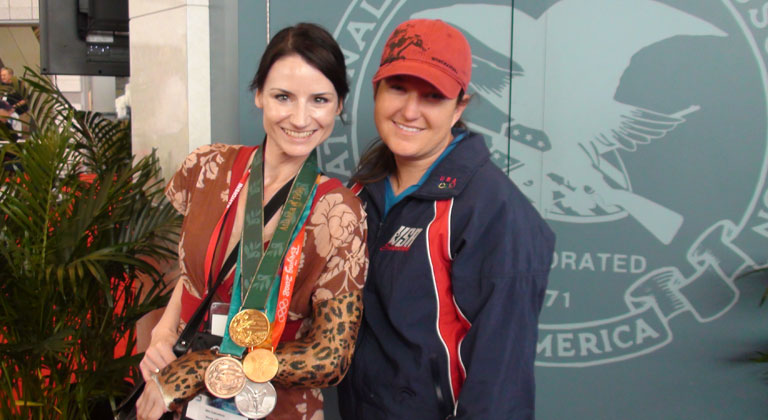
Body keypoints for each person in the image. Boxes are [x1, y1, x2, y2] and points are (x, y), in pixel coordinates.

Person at [135, 23, 368, 420]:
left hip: (272, 406)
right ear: (259, 94)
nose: (299, 118)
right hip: (180, 398)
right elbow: (189, 273)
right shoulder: (207, 167)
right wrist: (164, 330)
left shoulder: (339, 211)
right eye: (283, 97)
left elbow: (331, 358)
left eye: (319, 100)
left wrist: (197, 369)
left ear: (339, 105)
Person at [337, 19, 555, 419]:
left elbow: (501, 384)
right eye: (398, 88)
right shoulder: (360, 189)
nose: (409, 111)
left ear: (460, 107)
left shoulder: (495, 211)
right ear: (376, 90)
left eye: (433, 96)